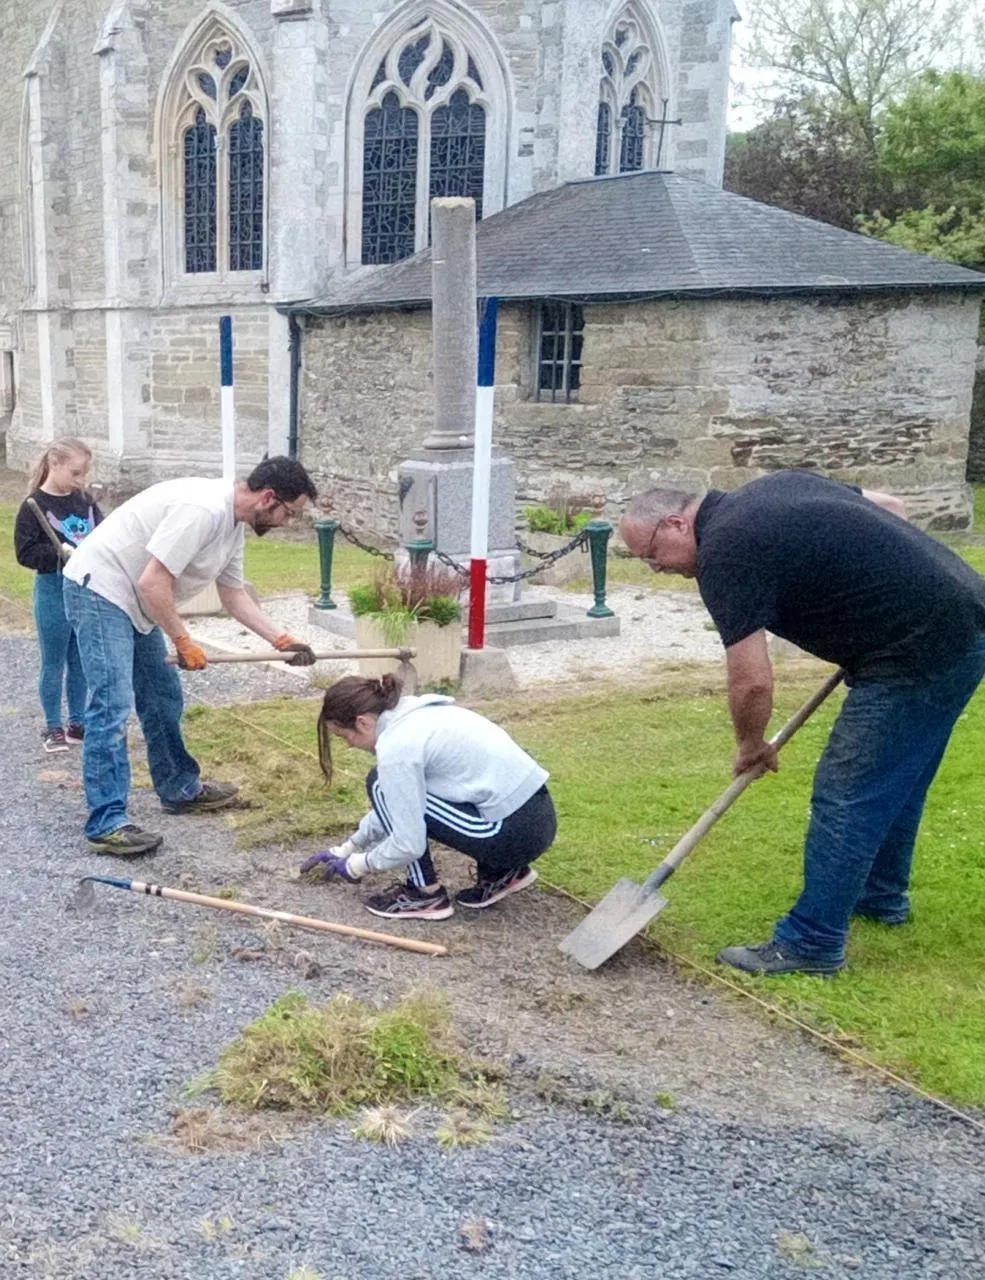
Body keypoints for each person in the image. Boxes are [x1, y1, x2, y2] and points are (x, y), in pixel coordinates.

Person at [620, 468, 985, 977]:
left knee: (848, 790)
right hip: (966, 615)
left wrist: (751, 744)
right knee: (896, 776)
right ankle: (880, 898)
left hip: (916, 650)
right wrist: (878, 598)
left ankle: (812, 943)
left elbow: (752, 682)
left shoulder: (725, 552)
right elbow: (892, 508)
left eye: (650, 555)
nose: (654, 568)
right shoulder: (773, 486)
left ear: (677, 523)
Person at [62, 456, 319, 856]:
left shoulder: (232, 527)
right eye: (289, 512)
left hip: (137, 601)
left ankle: (180, 788)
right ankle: (107, 821)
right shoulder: (203, 509)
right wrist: (183, 640)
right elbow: (153, 582)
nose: (287, 521)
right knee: (112, 703)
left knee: (162, 696)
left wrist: (281, 639)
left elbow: (233, 595)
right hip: (101, 589)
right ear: (269, 498)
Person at [300, 674, 558, 920]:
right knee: (394, 793)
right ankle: (502, 874)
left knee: (379, 784)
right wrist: (347, 848)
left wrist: (357, 865)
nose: (349, 745)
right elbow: (404, 802)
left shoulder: (397, 746)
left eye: (345, 736)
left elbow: (408, 841)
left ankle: (424, 895)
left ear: (363, 722)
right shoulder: (418, 714)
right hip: (539, 818)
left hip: (510, 835)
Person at [14, 438, 104, 753]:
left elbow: (104, 536)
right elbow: (25, 553)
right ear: (55, 464)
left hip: (84, 589)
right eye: (75, 473)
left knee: (79, 659)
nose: (80, 481)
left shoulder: (86, 501)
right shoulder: (33, 506)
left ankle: (78, 723)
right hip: (53, 589)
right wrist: (59, 554)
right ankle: (53, 726)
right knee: (54, 661)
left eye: (84, 474)